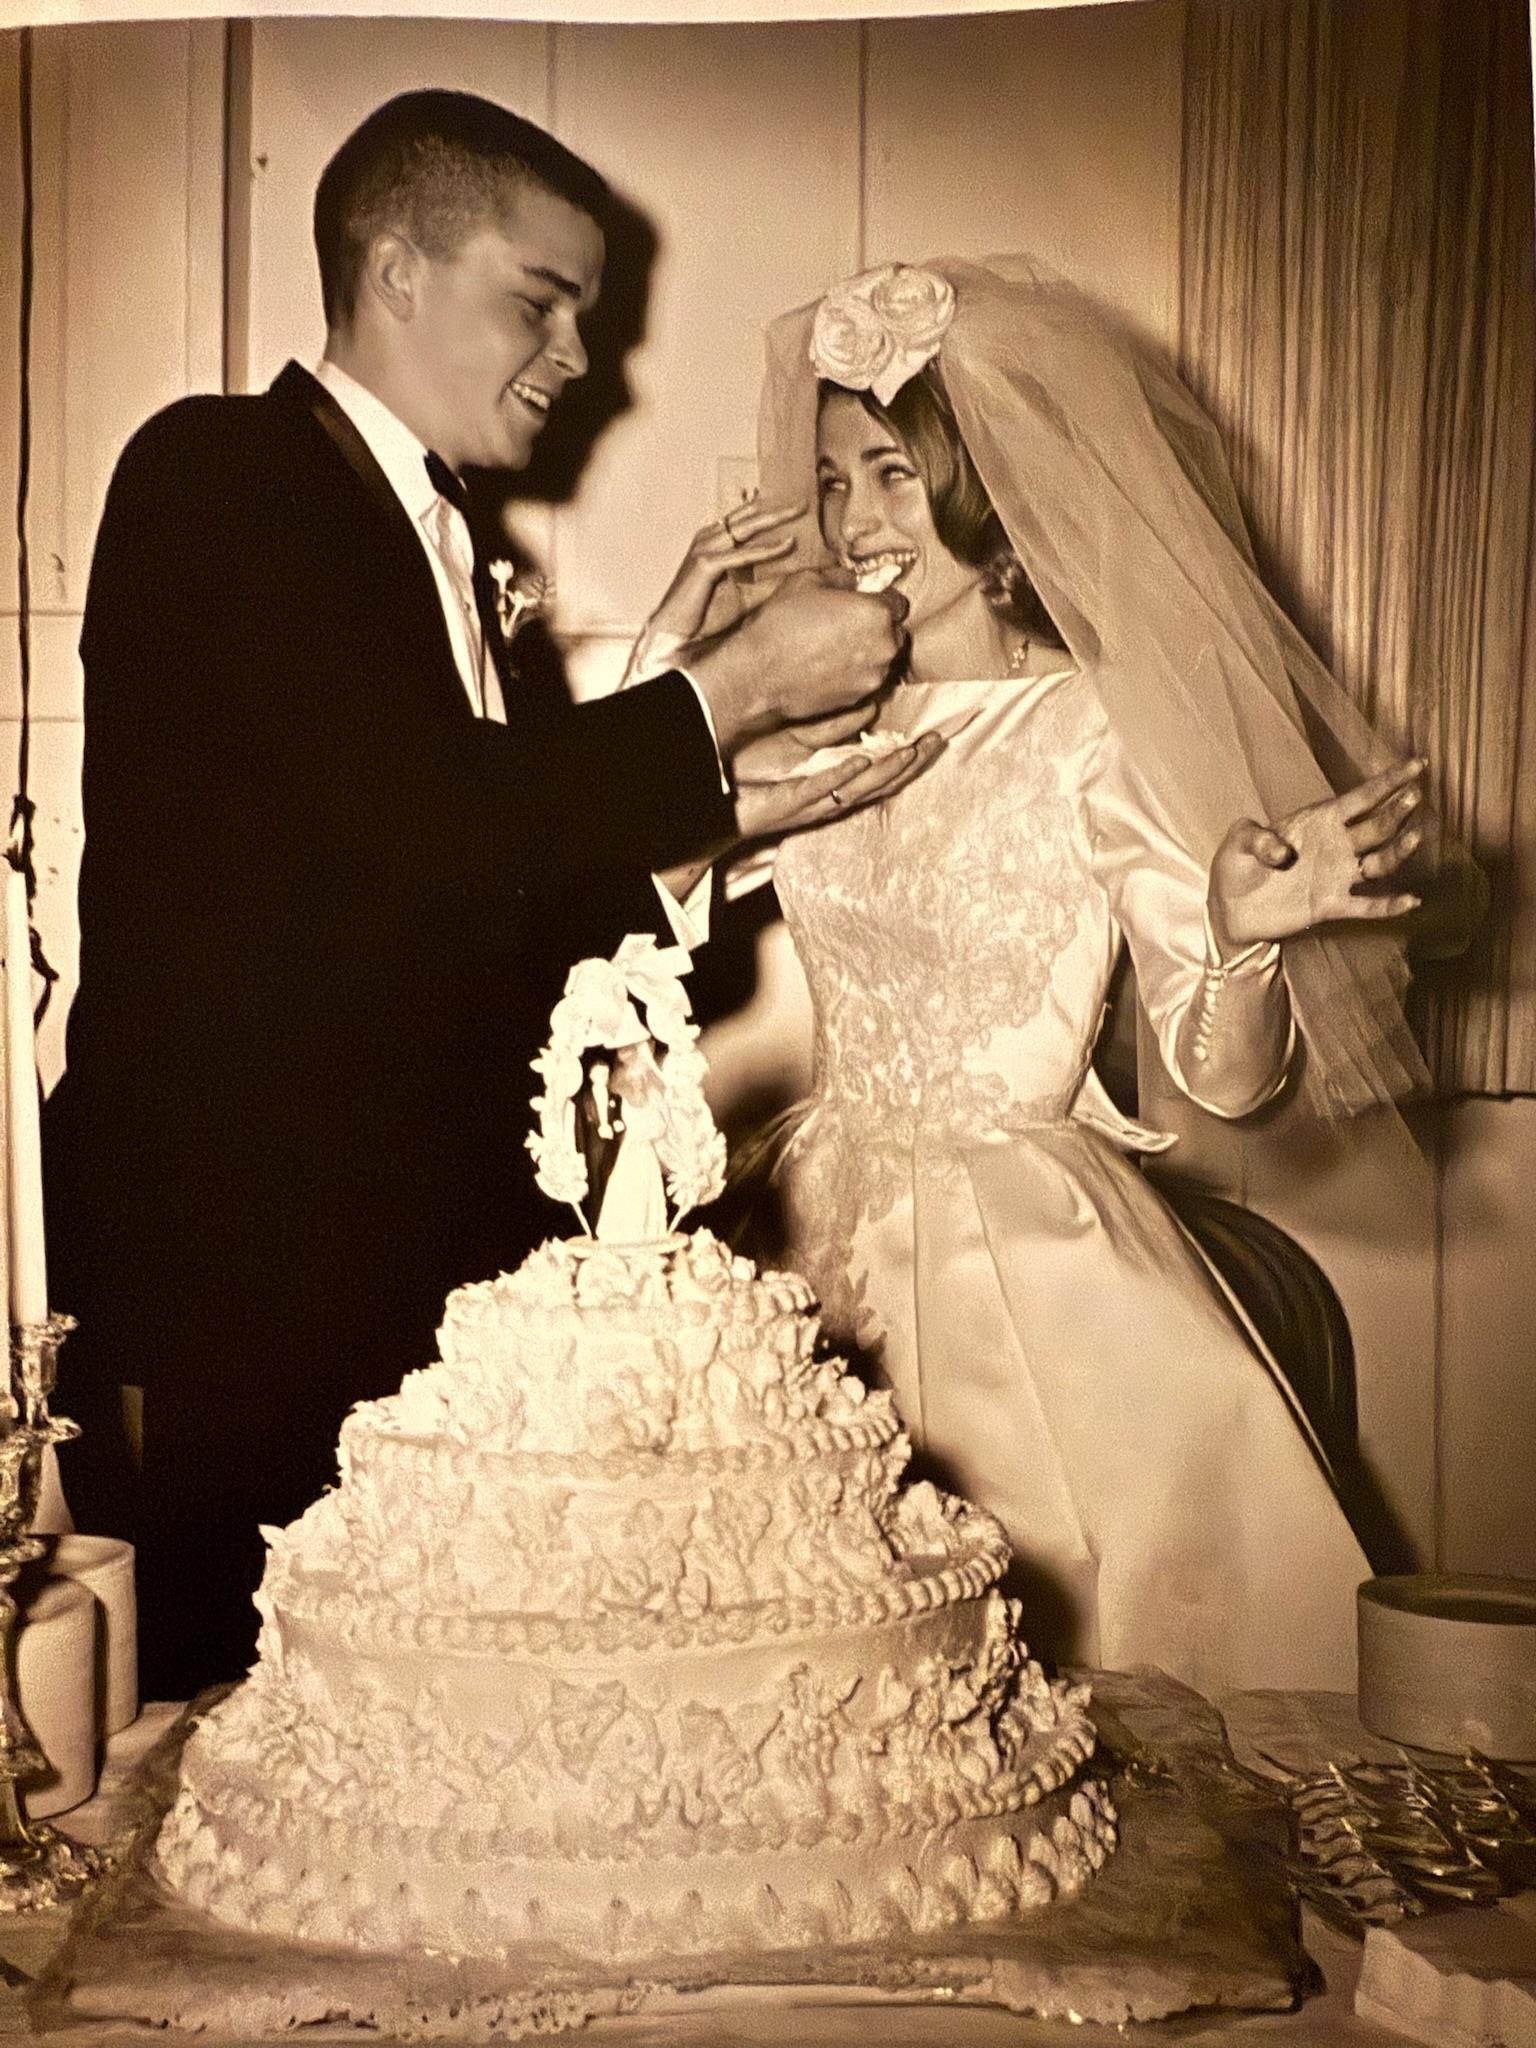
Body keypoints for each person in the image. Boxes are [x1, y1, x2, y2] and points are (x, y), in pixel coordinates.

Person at [42, 92, 932, 1700]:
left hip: (399, 1289)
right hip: (241, 1282)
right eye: (544, 301)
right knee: (230, 1752)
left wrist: (703, 834)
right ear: (396, 272)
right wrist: (716, 699)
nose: (582, 356)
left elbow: (462, 909)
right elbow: (412, 822)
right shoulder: (216, 474)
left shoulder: (437, 541)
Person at [635, 257, 1443, 1694]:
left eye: (894, 474)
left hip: (1028, 1264)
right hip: (808, 1226)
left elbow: (1225, 1075)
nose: (857, 521)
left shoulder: (1088, 732)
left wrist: (1249, 925)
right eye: (833, 480)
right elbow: (629, 883)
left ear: (993, 507)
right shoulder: (823, 728)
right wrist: (673, 656)